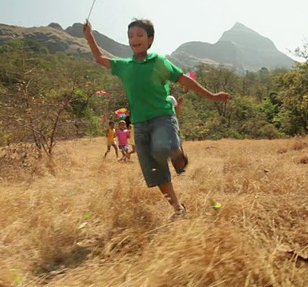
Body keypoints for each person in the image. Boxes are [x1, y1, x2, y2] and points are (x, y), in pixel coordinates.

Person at [84, 18, 229, 220]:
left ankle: (177, 154)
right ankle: (179, 209)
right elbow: (99, 57)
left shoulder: (159, 61)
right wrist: (89, 35)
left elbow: (183, 79)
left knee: (163, 147)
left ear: (150, 39)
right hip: (141, 124)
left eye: (139, 35)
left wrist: (212, 96)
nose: (134, 39)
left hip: (162, 116)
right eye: (130, 36)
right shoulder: (124, 66)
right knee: (155, 171)